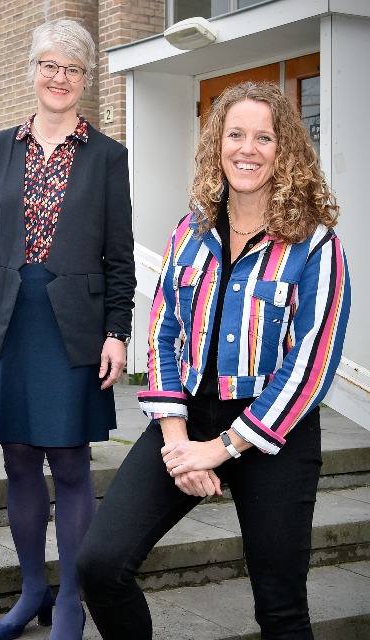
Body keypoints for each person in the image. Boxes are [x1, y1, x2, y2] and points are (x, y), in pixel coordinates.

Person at [76, 80, 351, 640]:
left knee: (280, 609)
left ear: (286, 151)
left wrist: (222, 448)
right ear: (217, 144)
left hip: (276, 433)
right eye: (235, 134)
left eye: (264, 137)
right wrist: (180, 443)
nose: (247, 149)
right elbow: (165, 332)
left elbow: (312, 365)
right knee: (99, 566)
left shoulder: (317, 245)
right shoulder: (191, 229)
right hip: (188, 418)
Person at [0, 18, 135, 640]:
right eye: (49, 66)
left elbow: (120, 257)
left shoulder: (108, 157)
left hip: (74, 325)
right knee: (20, 462)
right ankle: (32, 589)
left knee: (73, 464)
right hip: (8, 320)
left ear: (86, 80)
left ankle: (72, 602)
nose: (59, 78)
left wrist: (118, 330)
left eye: (72, 69)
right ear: (31, 72)